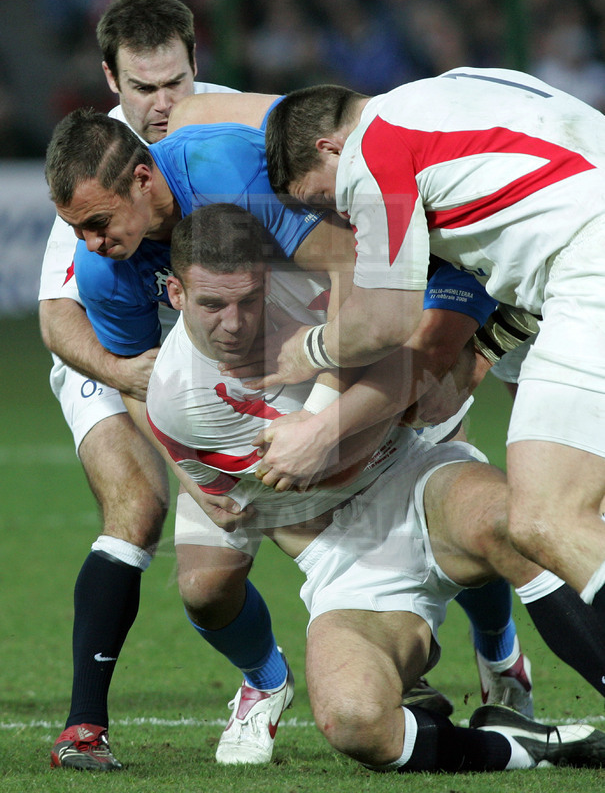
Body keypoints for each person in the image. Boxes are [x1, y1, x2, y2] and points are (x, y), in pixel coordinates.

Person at [44, 98, 556, 720]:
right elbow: (138, 378)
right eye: (77, 230)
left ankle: (499, 654)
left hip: (368, 327)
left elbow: (352, 268)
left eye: (98, 222)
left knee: (453, 474)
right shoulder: (102, 270)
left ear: (143, 179)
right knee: (204, 586)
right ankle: (272, 681)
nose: (91, 244)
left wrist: (320, 416)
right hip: (248, 384)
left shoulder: (224, 171)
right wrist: (188, 474)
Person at [145, 202, 605, 774]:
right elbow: (273, 501)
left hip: (416, 477)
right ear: (176, 294)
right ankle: (526, 750)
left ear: (270, 279)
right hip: (340, 552)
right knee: (354, 721)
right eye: (213, 305)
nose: (234, 324)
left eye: (249, 300)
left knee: (520, 526)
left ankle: (503, 654)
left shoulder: (324, 283)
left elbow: (440, 302)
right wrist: (367, 421)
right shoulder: (178, 401)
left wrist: (418, 381)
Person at [39, 0, 293, 772]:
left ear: (195, 64)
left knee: (402, 464)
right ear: (110, 80)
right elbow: (58, 317)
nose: (160, 103)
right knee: (140, 507)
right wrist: (128, 377)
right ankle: (87, 725)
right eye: (142, 88)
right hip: (118, 354)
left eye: (174, 83)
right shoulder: (94, 180)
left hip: (249, 343)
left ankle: (481, 661)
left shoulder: (234, 134)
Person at [257, 69, 605, 617]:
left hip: (590, 268)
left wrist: (307, 350)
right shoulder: (462, 87)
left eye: (322, 198)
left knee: (545, 517)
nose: (338, 215)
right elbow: (535, 231)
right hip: (582, 259)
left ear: (330, 148)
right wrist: (484, 350)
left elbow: (384, 320)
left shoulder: (372, 149)